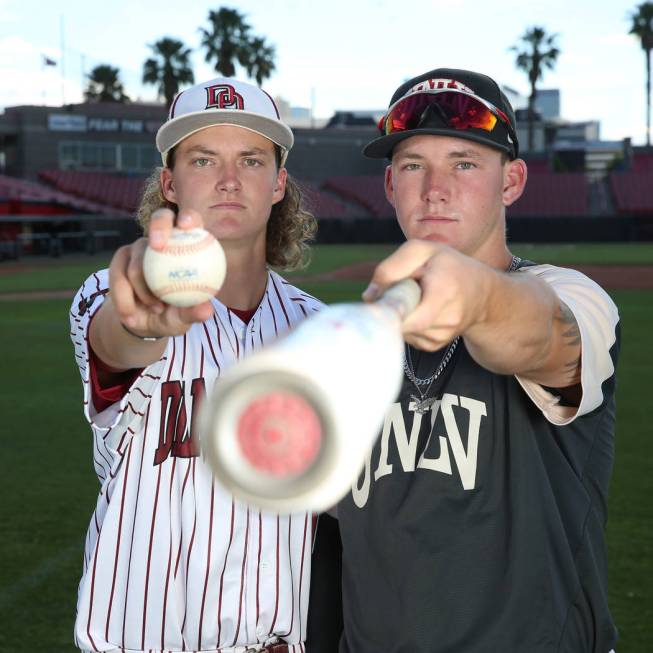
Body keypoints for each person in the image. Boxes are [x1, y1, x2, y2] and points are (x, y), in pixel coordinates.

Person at [332, 68, 620, 652]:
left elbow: (542, 337)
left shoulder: (573, 295)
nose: (435, 187)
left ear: (511, 181)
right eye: (413, 165)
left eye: (464, 163)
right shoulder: (352, 341)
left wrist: (481, 294)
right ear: (389, 186)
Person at [69, 76, 321, 653]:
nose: (229, 180)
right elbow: (117, 338)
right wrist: (139, 315)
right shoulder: (108, 293)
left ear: (279, 183)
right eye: (203, 159)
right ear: (170, 183)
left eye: (252, 160)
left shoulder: (317, 329)